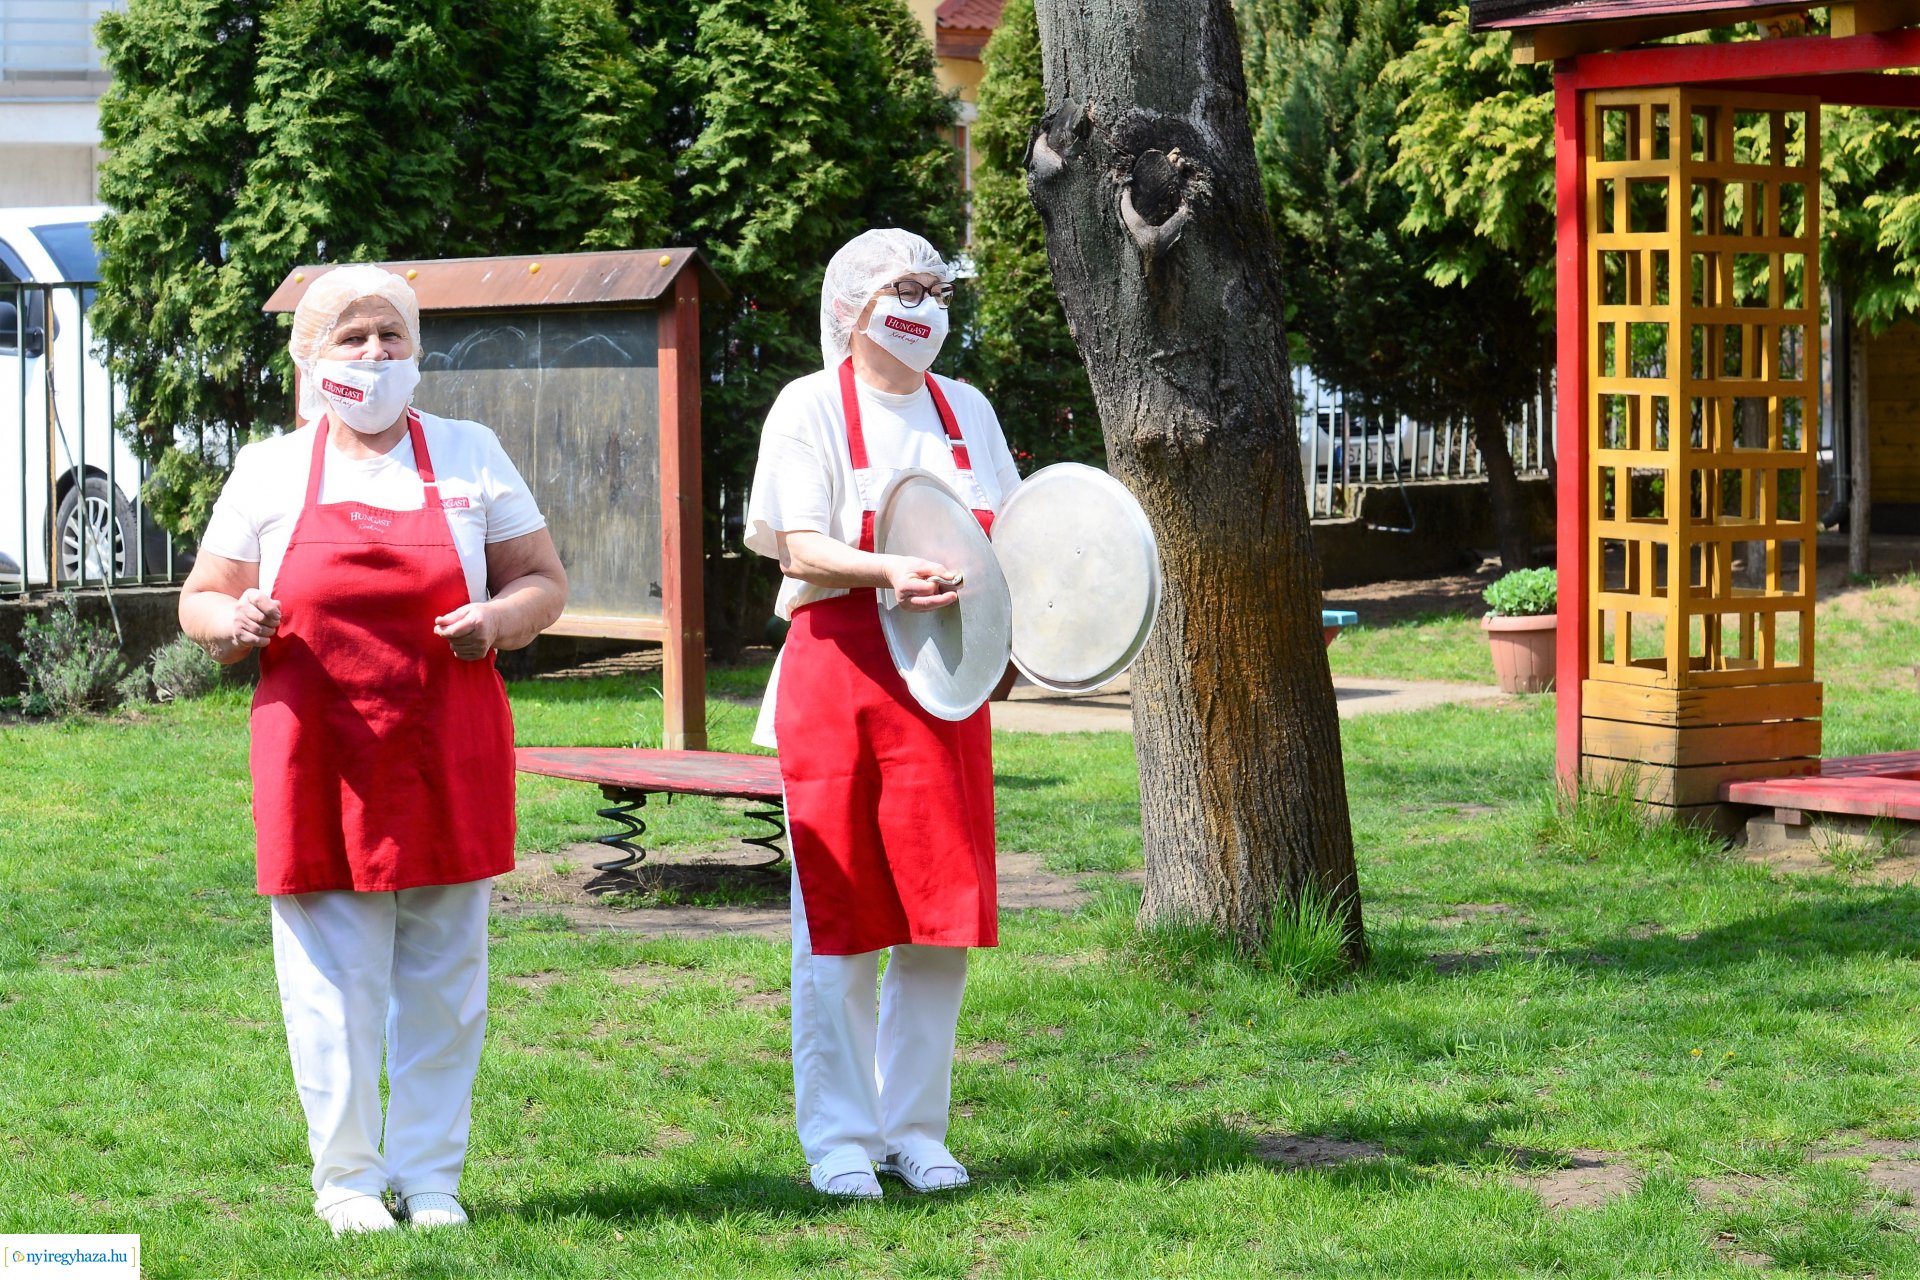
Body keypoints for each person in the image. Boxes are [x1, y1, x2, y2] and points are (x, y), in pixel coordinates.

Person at [177, 265, 567, 1235]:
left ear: (417, 349)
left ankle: (431, 1177)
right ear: (312, 356)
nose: (374, 353)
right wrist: (236, 620)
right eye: (352, 337)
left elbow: (541, 579)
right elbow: (201, 598)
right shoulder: (271, 468)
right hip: (318, 755)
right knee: (331, 986)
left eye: (391, 335)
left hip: (446, 750)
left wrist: (499, 619)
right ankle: (347, 1182)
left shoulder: (470, 452)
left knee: (446, 982)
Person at [745, 229, 1023, 1199]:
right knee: (841, 916)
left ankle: (914, 1129)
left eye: (936, 290)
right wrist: (886, 570)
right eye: (904, 289)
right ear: (852, 306)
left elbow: (1009, 535)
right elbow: (797, 545)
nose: (925, 307)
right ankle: (839, 1137)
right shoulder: (811, 405)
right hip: (841, 676)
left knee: (938, 916)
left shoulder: (967, 410)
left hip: (946, 685)